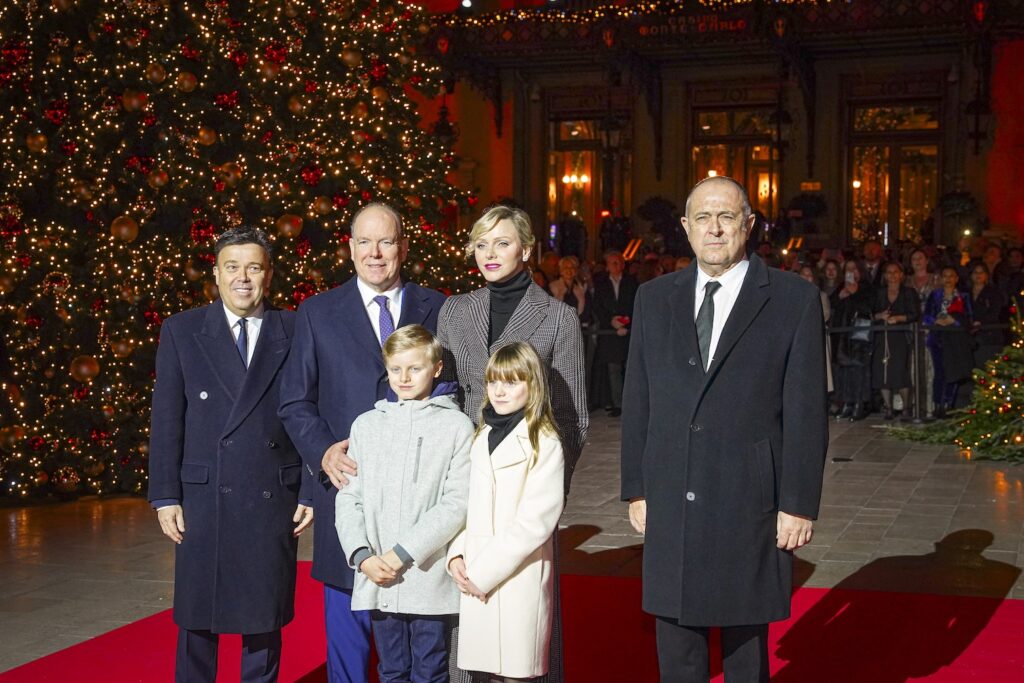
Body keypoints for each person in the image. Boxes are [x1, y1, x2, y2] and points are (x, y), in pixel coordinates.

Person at [620, 176, 827, 683]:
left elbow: (806, 412)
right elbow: (638, 399)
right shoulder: (654, 297)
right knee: (676, 633)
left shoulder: (792, 299)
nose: (715, 229)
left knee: (744, 643)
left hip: (747, 495)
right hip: (671, 490)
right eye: (703, 218)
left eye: (727, 216)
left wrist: (797, 502)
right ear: (686, 229)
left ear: (749, 225)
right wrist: (636, 487)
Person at [279, 203, 447, 683]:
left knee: (419, 644)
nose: (376, 253)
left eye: (387, 242)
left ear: (404, 247)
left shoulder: (438, 307)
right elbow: (294, 401)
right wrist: (322, 452)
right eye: (366, 243)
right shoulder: (317, 312)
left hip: (419, 504)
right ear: (350, 249)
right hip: (349, 495)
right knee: (349, 645)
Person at [148, 227, 314, 683]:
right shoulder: (182, 330)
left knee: (264, 619)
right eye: (233, 267)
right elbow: (167, 418)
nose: (243, 278)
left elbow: (312, 413)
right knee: (198, 620)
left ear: (269, 274)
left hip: (272, 493)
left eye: (254, 267)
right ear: (216, 274)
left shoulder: (296, 328)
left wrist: (311, 488)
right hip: (203, 497)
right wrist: (164, 495)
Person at [437, 204, 587, 683]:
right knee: (468, 623)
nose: (490, 253)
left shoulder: (557, 317)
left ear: (525, 249)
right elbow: (445, 395)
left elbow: (573, 415)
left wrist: (539, 485)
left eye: (502, 243)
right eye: (481, 244)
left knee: (525, 631)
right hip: (467, 474)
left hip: (524, 481)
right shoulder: (456, 310)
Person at [335, 325, 473, 683]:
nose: (405, 377)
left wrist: (403, 552)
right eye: (396, 369)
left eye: (415, 368)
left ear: (437, 368)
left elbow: (456, 503)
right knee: (392, 669)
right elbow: (349, 497)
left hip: (426, 575)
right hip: (379, 575)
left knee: (430, 668)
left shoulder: (457, 426)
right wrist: (362, 555)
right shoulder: (366, 426)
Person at [447, 342, 565, 682]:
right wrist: (457, 554)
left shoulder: (545, 441)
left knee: (517, 671)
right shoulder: (482, 435)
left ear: (533, 386)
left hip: (516, 576)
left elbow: (535, 523)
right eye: (493, 381)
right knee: (485, 673)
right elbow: (469, 505)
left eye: (512, 382)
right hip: (476, 574)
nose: (499, 391)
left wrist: (482, 574)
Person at [591, 250, 639, 417]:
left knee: (629, 369)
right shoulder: (601, 283)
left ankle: (631, 403)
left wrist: (627, 322)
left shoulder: (632, 282)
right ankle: (617, 403)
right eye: (612, 263)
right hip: (610, 332)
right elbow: (597, 306)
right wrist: (611, 321)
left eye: (618, 262)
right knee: (613, 368)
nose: (616, 265)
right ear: (607, 266)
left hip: (628, 331)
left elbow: (636, 304)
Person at [922, 266, 974, 418]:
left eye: (952, 276)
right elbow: (926, 316)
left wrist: (954, 320)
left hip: (956, 339)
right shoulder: (935, 294)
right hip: (938, 338)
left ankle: (949, 404)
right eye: (945, 276)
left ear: (957, 278)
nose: (948, 279)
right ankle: (938, 404)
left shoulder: (963, 296)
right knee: (940, 372)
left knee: (954, 371)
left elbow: (968, 318)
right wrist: (937, 321)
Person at [871, 262, 919, 420]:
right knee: (882, 371)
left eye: (895, 272)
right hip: (882, 336)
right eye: (889, 272)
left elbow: (914, 314)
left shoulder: (909, 293)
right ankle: (888, 407)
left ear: (901, 275)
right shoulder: (879, 293)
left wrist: (898, 318)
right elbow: (871, 313)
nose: (892, 275)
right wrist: (880, 316)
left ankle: (906, 408)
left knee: (900, 371)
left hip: (900, 336)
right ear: (884, 276)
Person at [832, 260, 874, 421]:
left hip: (859, 336)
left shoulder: (866, 287)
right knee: (844, 370)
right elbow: (833, 303)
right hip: (842, 336)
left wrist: (855, 292)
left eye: (854, 268)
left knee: (858, 370)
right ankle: (847, 403)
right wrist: (841, 296)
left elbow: (870, 307)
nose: (851, 272)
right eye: (847, 269)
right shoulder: (841, 286)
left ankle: (859, 403)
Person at [967, 263, 1007, 368]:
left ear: (986, 275)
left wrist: (980, 323)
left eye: (981, 272)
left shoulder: (993, 292)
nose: (978, 275)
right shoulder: (966, 293)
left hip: (989, 336)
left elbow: (994, 312)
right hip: (970, 337)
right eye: (975, 272)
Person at [547, 255, 591, 323]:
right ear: (560, 270)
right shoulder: (552, 287)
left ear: (576, 271)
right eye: (565, 267)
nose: (569, 270)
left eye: (572, 267)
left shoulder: (581, 289)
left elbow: (586, 312)